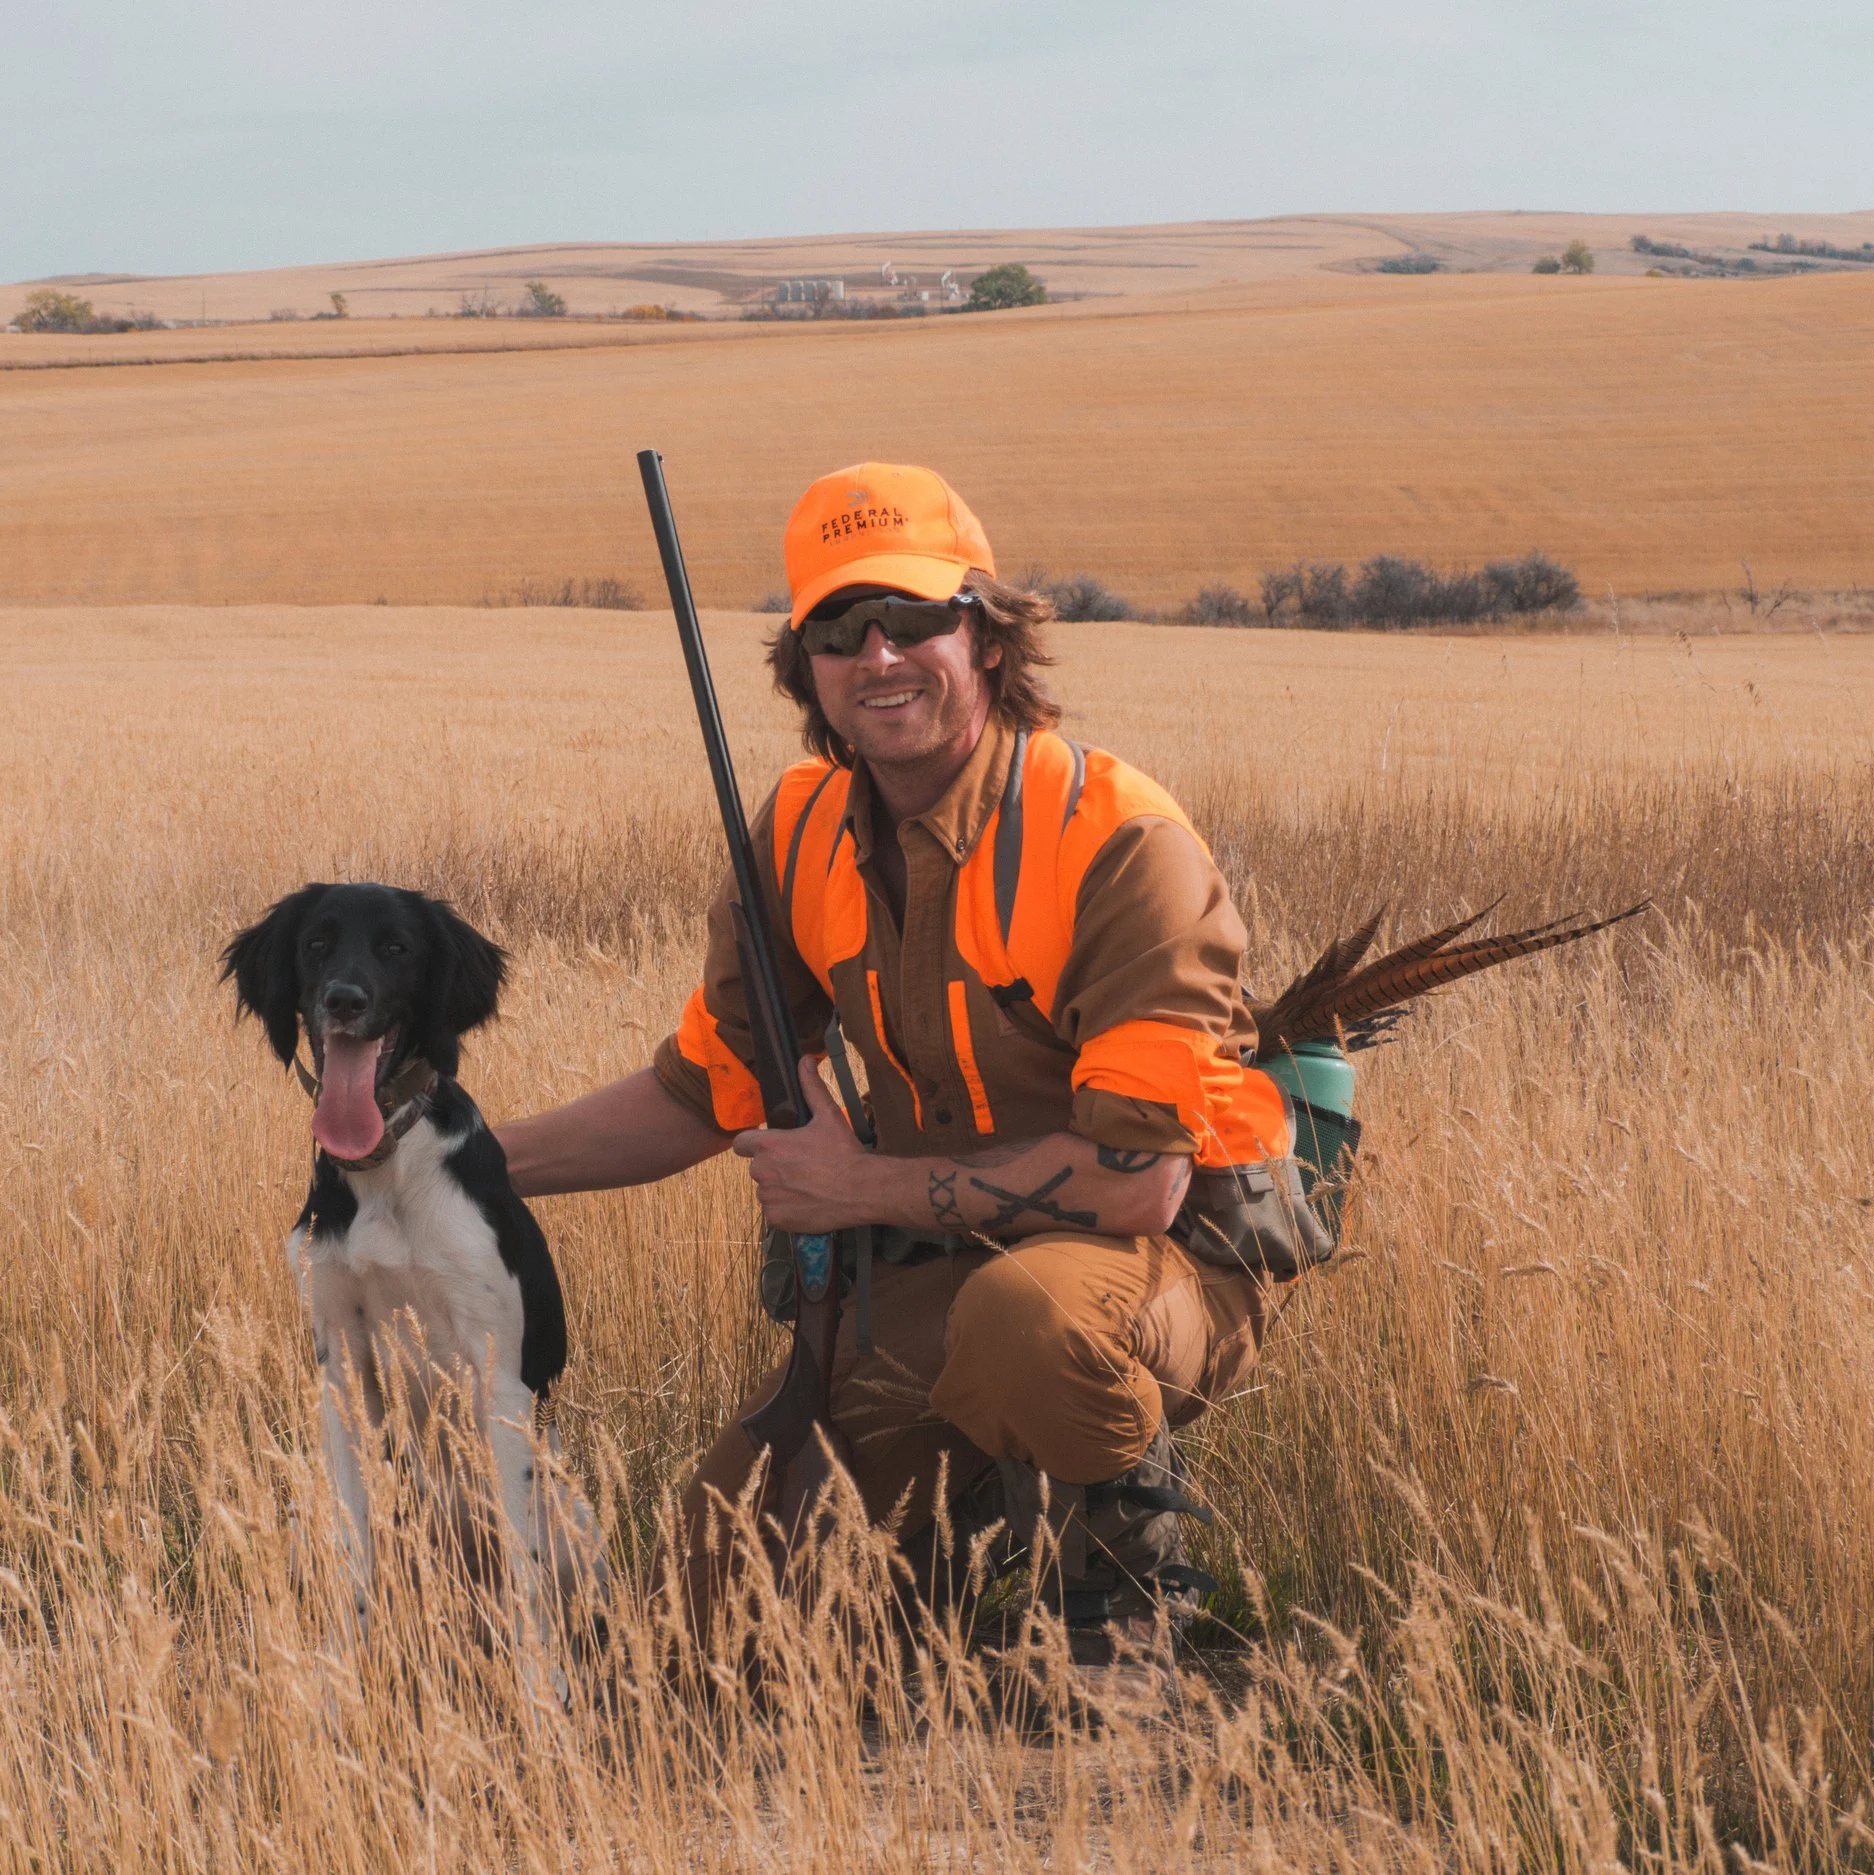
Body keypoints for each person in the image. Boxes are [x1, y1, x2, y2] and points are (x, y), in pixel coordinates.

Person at [497, 462, 1323, 1646]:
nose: (875, 655)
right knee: (722, 1602)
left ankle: (1123, 1593)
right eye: (837, 627)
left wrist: (857, 1188)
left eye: (912, 617)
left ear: (985, 637)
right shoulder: (794, 834)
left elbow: (1137, 1184)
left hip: (1156, 1271)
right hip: (931, 1284)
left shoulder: (1117, 842)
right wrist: (462, 1162)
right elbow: (701, 1092)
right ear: (806, 668)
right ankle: (944, 1579)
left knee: (1034, 1326)